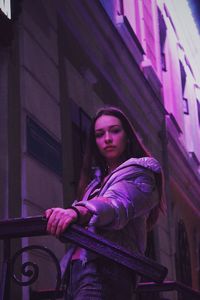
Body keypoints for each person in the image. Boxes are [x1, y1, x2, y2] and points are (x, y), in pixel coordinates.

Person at [45, 106, 164, 300]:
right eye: (99, 134)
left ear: (127, 136)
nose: (107, 138)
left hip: (107, 271)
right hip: (73, 273)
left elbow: (116, 204)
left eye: (115, 131)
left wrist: (76, 212)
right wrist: (59, 219)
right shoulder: (93, 183)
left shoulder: (141, 174)